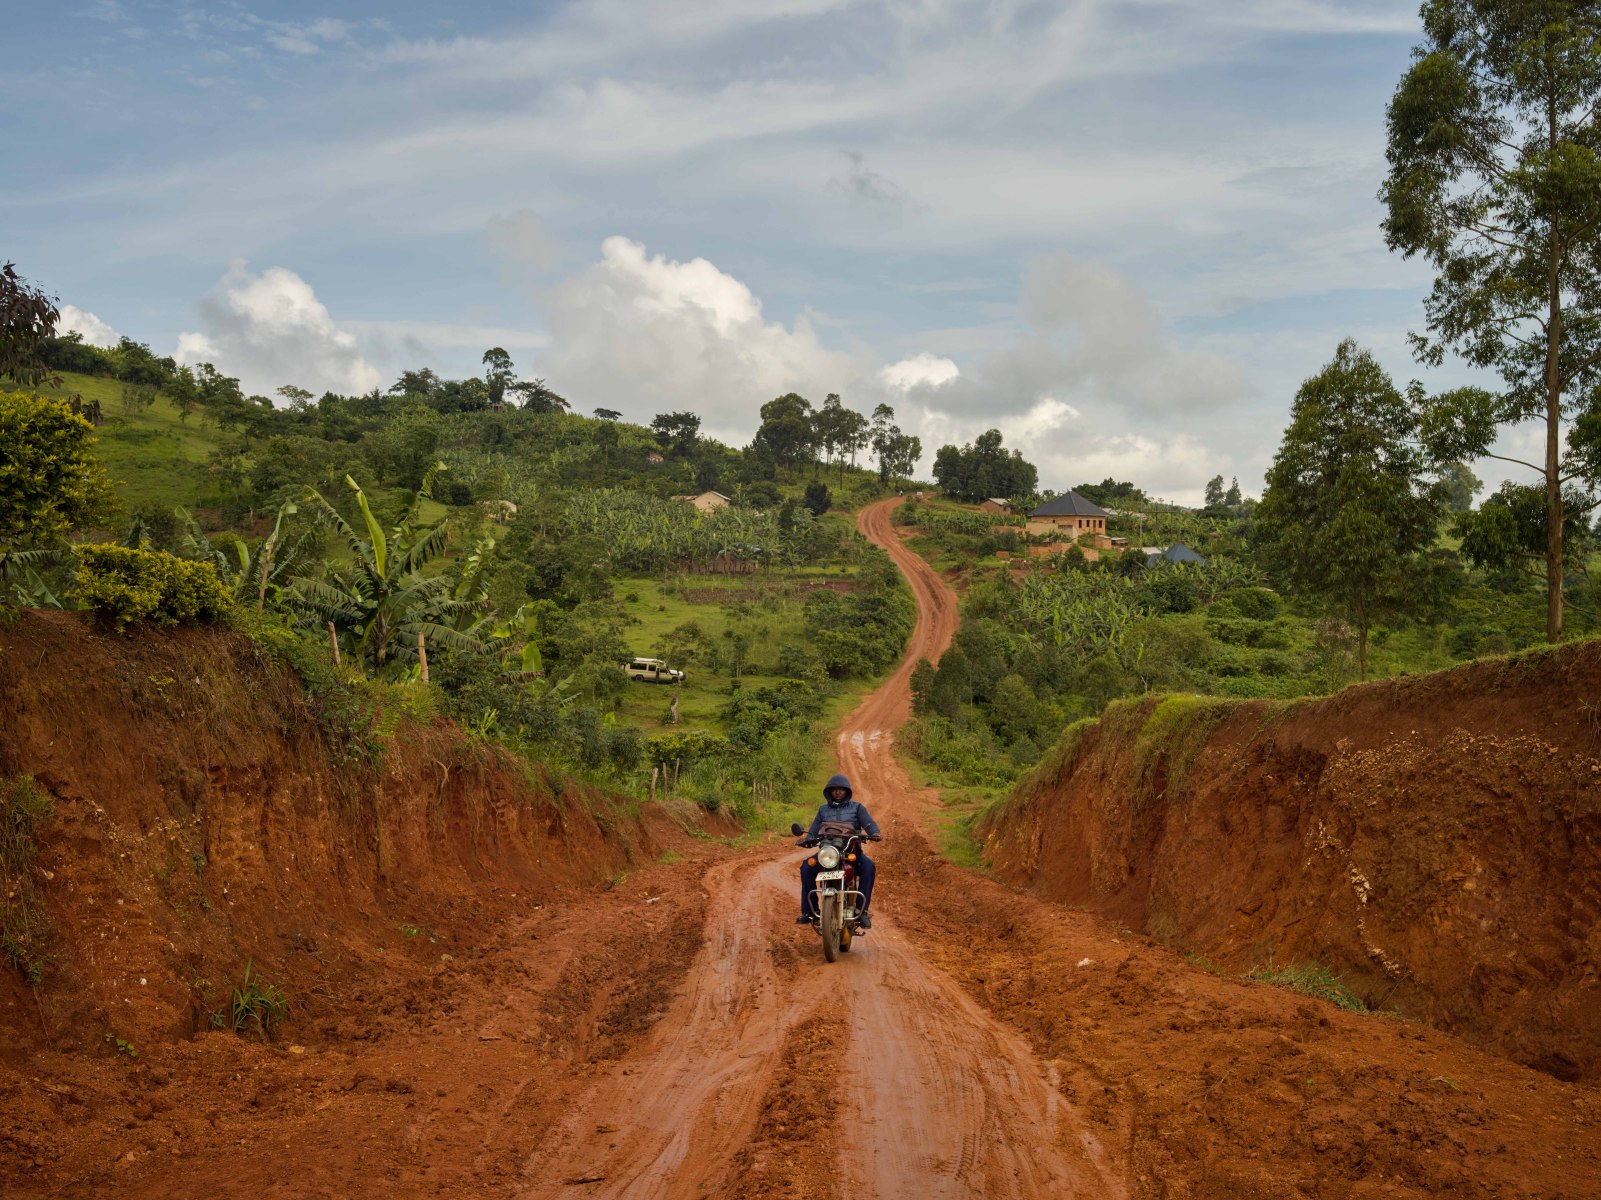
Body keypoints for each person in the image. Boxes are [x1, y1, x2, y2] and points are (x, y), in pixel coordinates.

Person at [796, 773, 880, 929]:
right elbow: (814, 830)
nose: (838, 792)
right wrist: (807, 839)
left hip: (851, 852)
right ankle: (810, 911)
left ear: (847, 791)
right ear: (829, 791)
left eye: (841, 789)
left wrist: (874, 833)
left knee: (869, 867)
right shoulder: (823, 810)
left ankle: (862, 911)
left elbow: (869, 824)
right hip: (829, 853)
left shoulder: (857, 808)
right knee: (806, 867)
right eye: (834, 789)